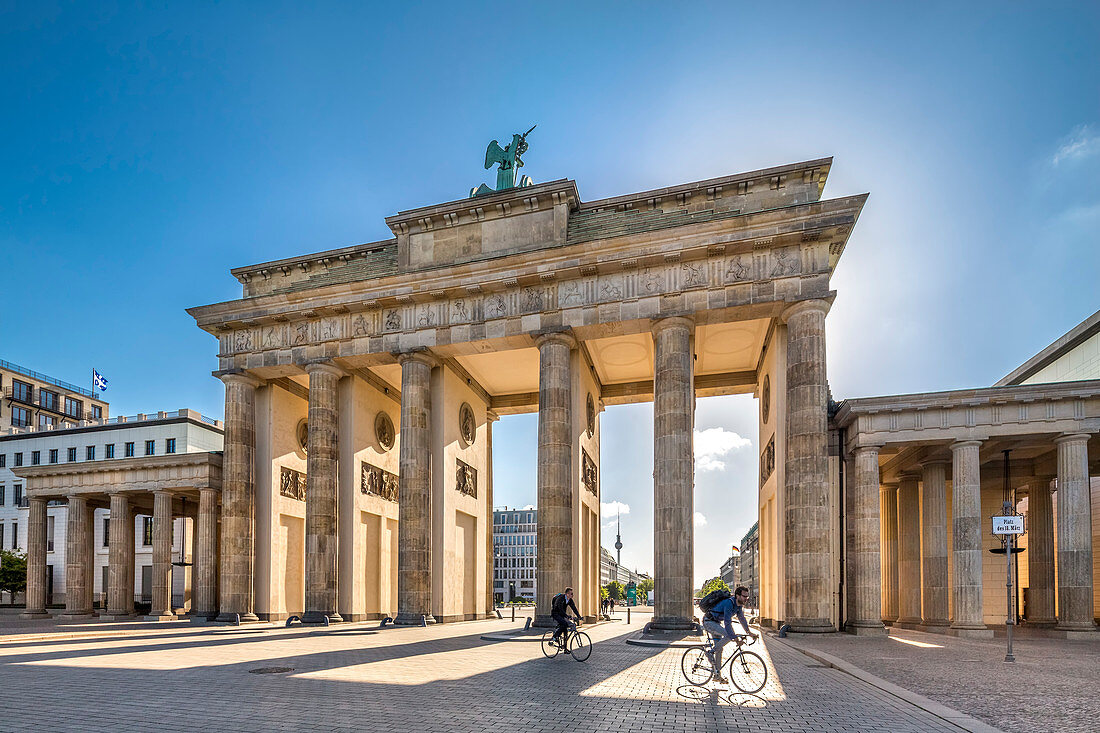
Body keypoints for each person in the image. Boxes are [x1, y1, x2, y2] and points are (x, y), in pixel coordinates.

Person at [702, 585, 756, 683]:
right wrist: (735, 638)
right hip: (708, 622)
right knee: (728, 635)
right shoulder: (729, 603)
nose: (746, 599)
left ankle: (717, 675)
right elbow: (727, 623)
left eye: (747, 597)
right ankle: (709, 653)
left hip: (716, 623)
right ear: (737, 596)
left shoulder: (738, 606)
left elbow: (742, 619)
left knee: (720, 649)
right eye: (744, 596)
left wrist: (749, 632)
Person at [551, 587, 582, 652]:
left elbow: (574, 608)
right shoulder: (561, 598)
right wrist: (567, 616)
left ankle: (565, 649)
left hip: (562, 614)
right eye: (571, 594)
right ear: (567, 594)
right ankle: (555, 637)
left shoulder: (569, 600)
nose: (572, 595)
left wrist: (579, 616)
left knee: (565, 631)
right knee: (564, 624)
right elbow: (560, 608)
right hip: (555, 613)